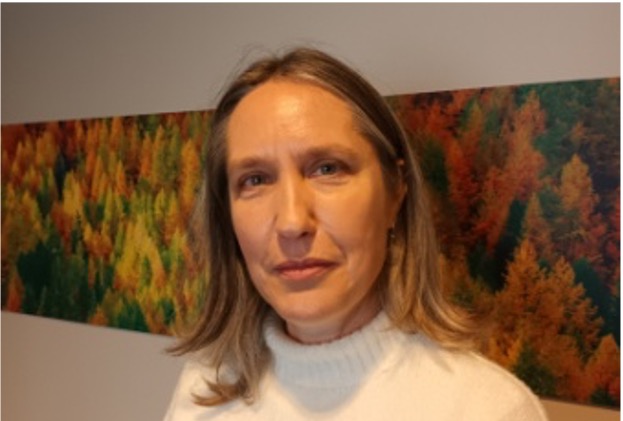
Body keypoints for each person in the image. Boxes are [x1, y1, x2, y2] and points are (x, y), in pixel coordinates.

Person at [164, 47, 548, 420]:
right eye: (255, 180)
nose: (292, 223)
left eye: (327, 169)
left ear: (395, 191)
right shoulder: (205, 387)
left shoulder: (487, 409)